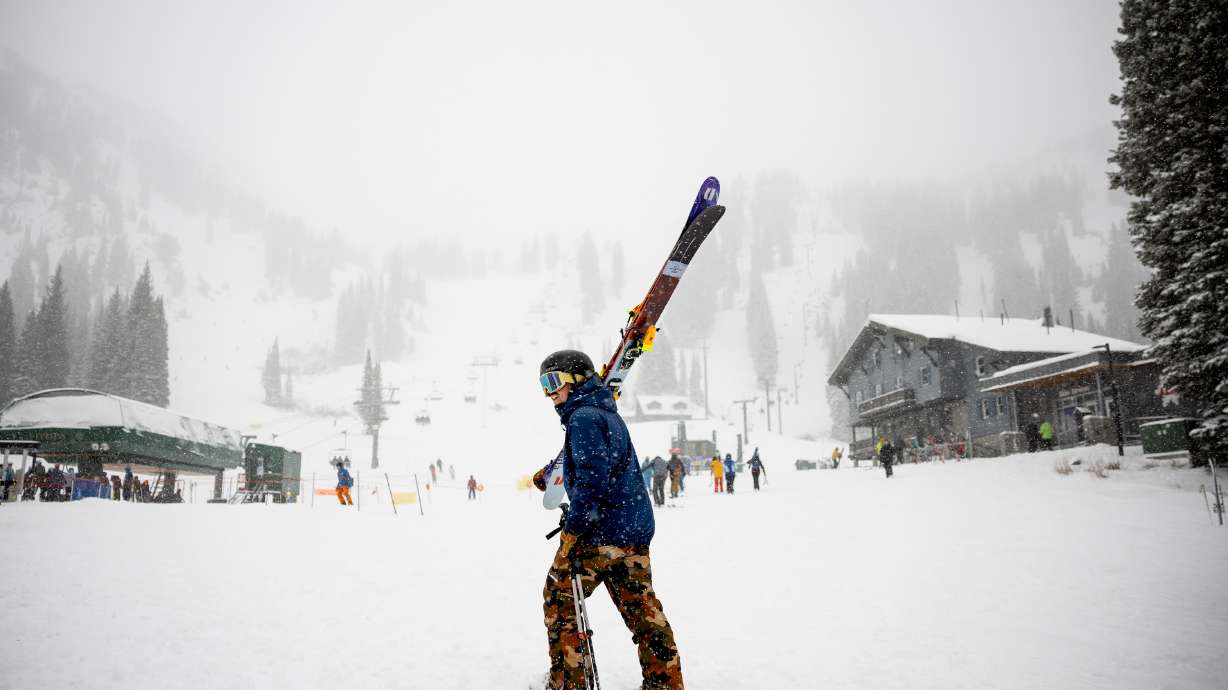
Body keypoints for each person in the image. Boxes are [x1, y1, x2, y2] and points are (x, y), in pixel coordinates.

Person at [531, 350, 683, 690]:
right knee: (643, 612)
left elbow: (591, 481)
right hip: (631, 531)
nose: (549, 393)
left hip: (600, 534)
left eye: (553, 382)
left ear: (577, 380)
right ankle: (664, 683)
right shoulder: (605, 415)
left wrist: (572, 532)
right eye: (543, 385)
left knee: (559, 598)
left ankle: (568, 681)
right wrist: (553, 472)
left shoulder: (582, 418)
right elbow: (598, 465)